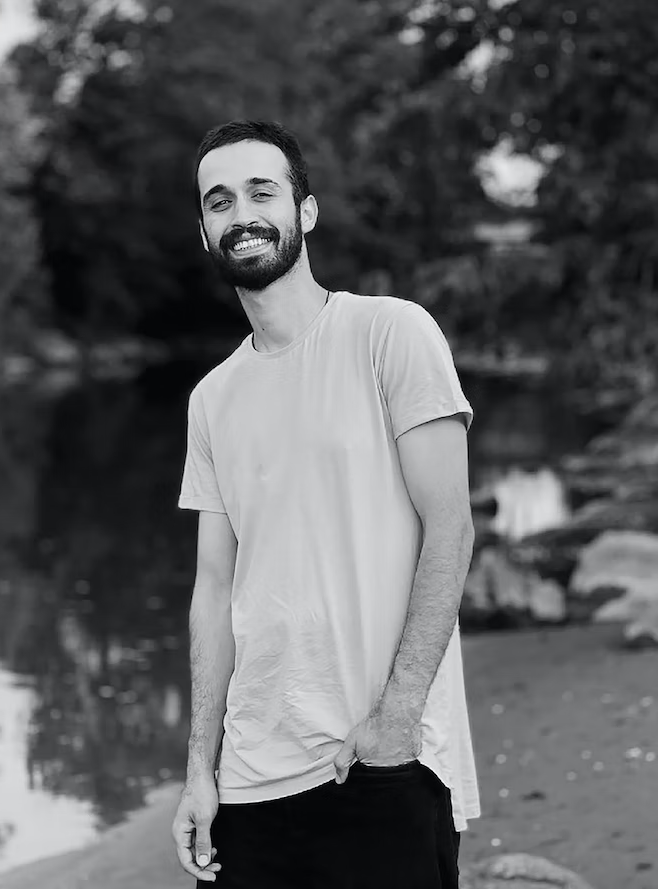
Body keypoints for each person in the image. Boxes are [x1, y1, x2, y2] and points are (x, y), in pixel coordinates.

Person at [172, 119, 480, 888]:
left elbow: (449, 526)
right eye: (218, 201)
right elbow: (214, 589)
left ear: (304, 211)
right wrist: (200, 768)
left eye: (261, 192)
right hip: (249, 781)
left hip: (378, 760)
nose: (240, 214)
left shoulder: (389, 333)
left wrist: (397, 718)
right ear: (204, 231)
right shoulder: (211, 399)